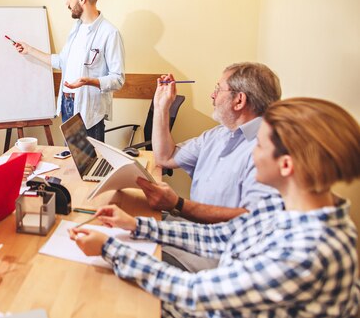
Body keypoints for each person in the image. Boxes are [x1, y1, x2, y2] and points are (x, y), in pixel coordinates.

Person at [70, 97, 360, 317]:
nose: (252, 152)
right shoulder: (281, 204)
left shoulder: (307, 250)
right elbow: (220, 238)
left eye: (259, 145)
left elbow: (195, 293)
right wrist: (135, 225)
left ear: (286, 165)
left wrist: (110, 248)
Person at [139, 63, 282, 271]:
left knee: (133, 246)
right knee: (130, 222)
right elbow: (164, 157)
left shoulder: (267, 149)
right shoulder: (218, 134)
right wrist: (161, 107)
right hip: (195, 230)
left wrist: (178, 204)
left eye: (218, 89)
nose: (212, 96)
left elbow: (252, 220)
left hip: (221, 253)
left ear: (239, 100)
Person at [14, 0, 125, 141]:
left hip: (88, 110)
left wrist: (90, 81)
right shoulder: (77, 29)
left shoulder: (109, 33)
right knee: (74, 161)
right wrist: (29, 50)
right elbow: (60, 62)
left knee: (89, 163)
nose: (67, 3)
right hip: (68, 104)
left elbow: (118, 79)